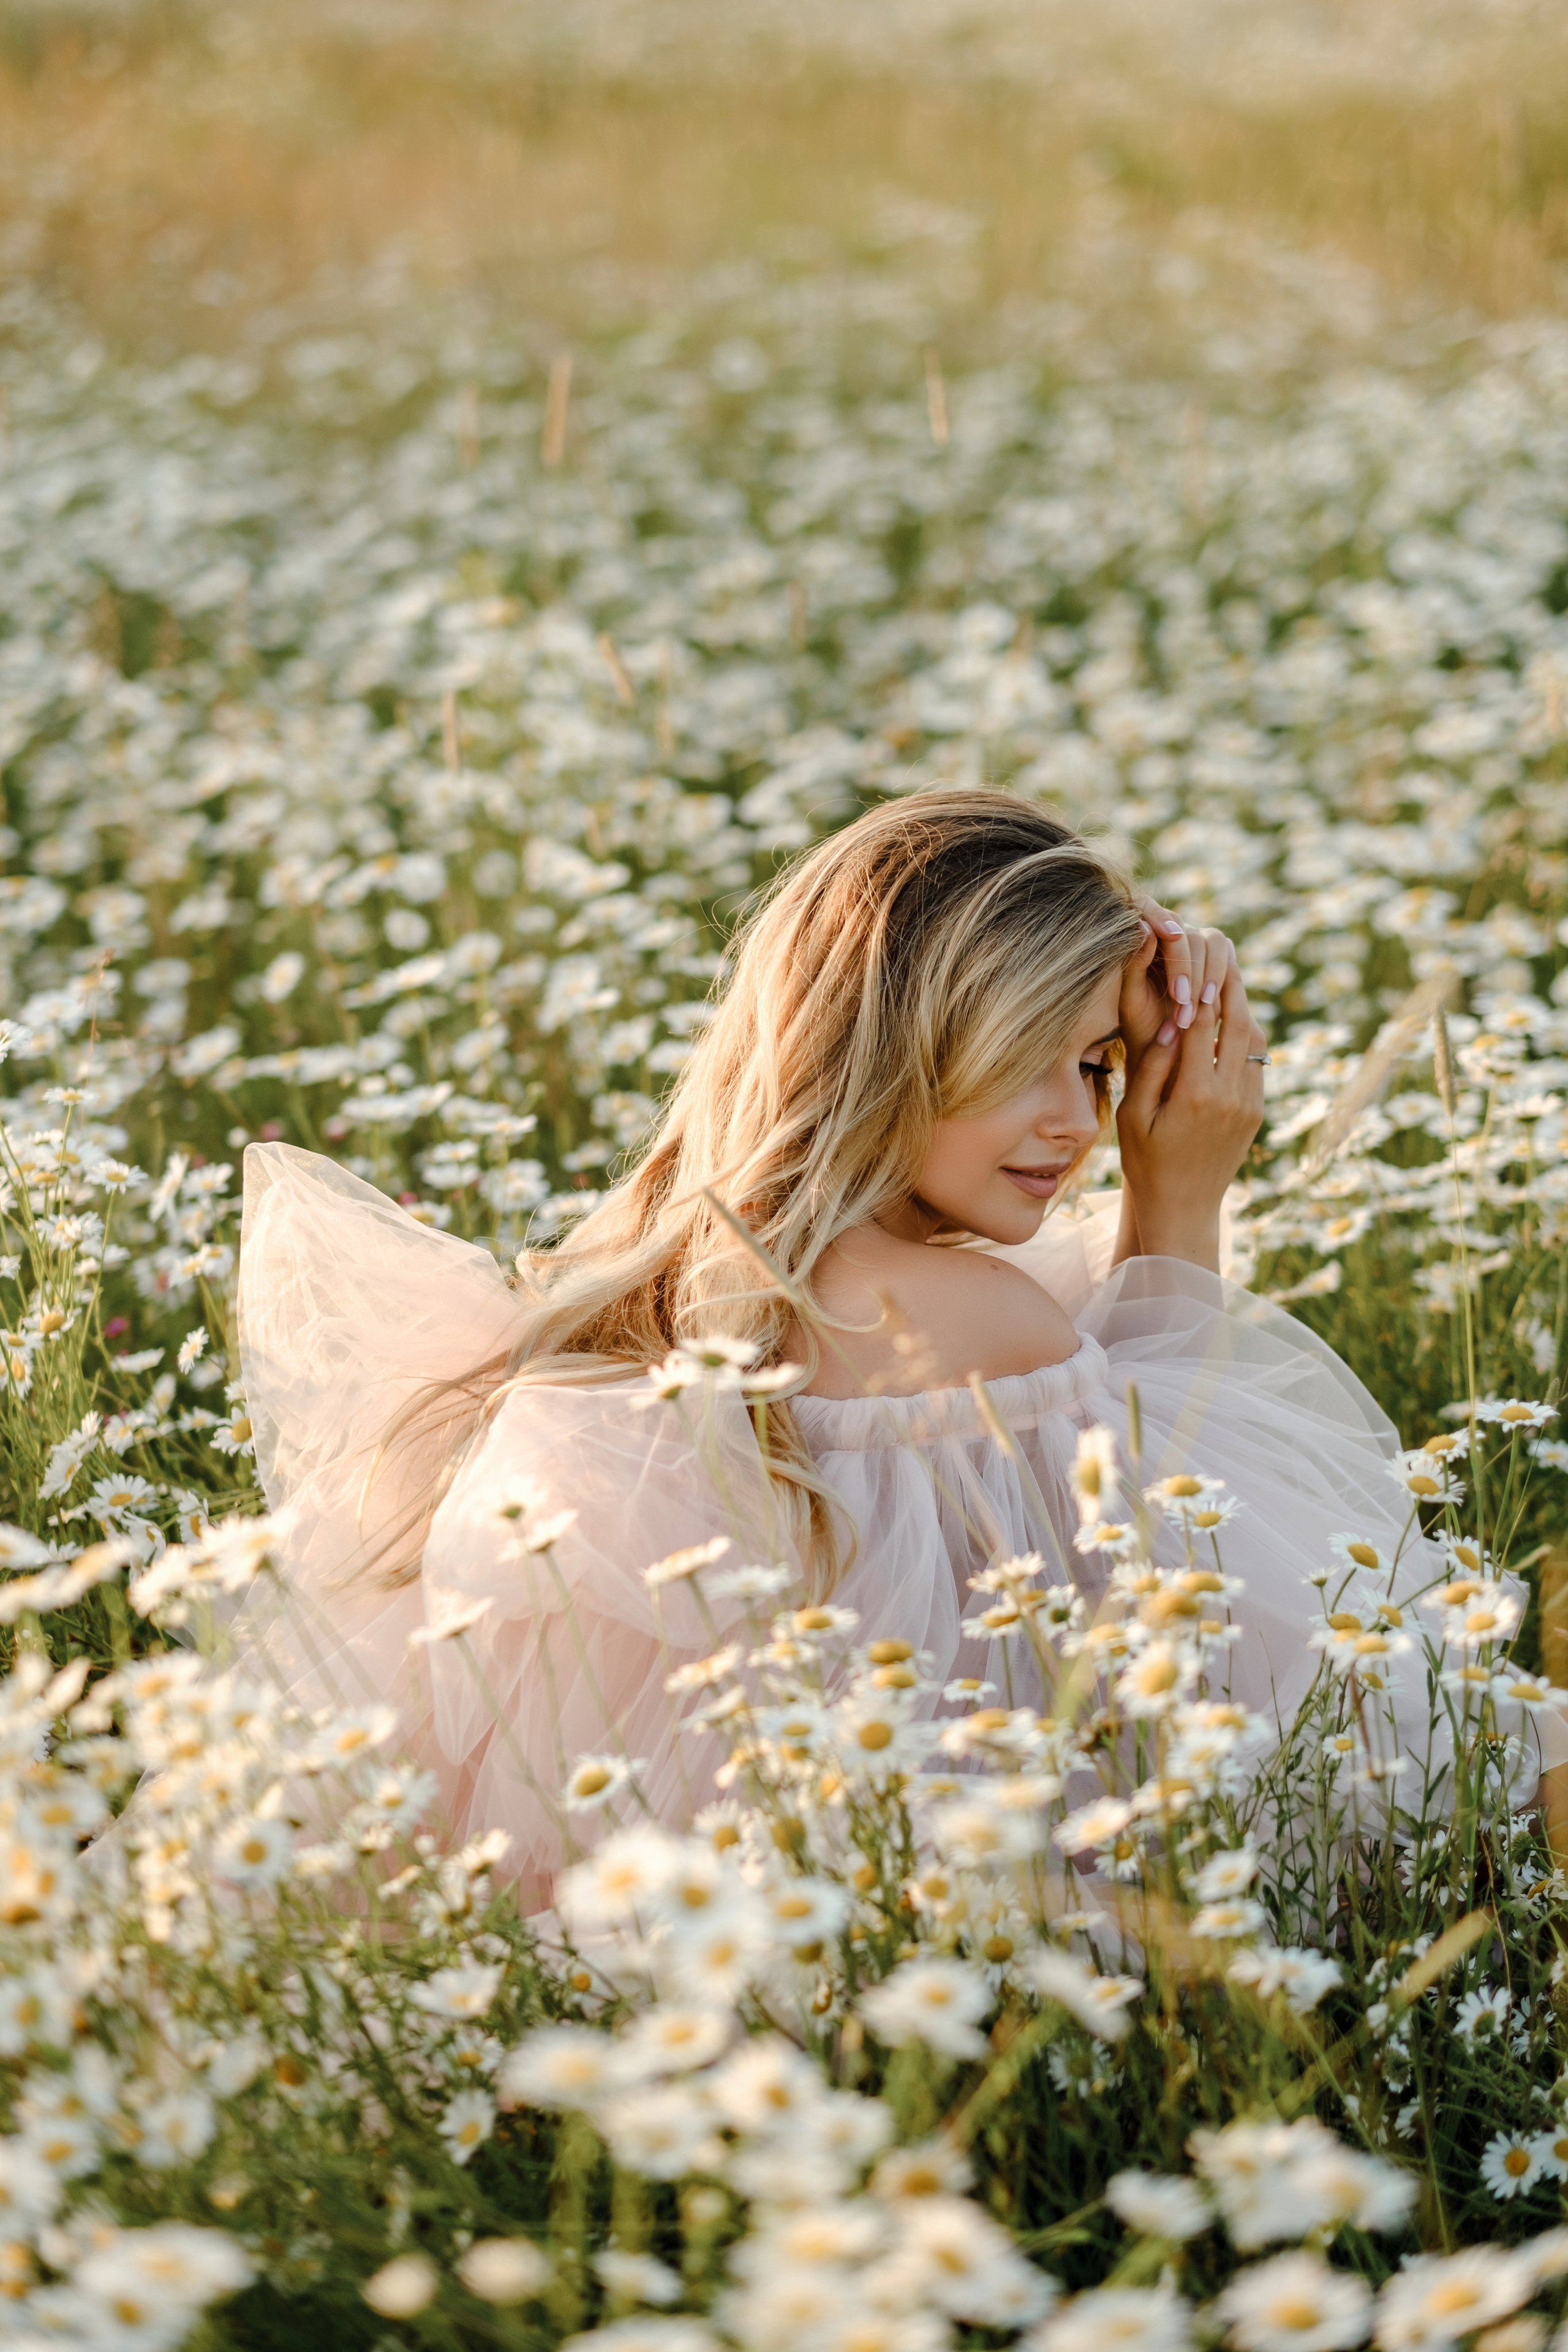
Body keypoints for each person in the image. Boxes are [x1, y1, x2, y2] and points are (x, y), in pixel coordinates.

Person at [236, 791, 1567, 1909]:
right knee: (1495, 1745)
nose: (1074, 1124)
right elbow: (1190, 1592)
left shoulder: (673, 1282)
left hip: (699, 1890)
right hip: (976, 1906)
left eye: (1101, 1063)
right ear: (891, 1047)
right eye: (1017, 1062)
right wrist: (1180, 1200)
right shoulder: (963, 1322)